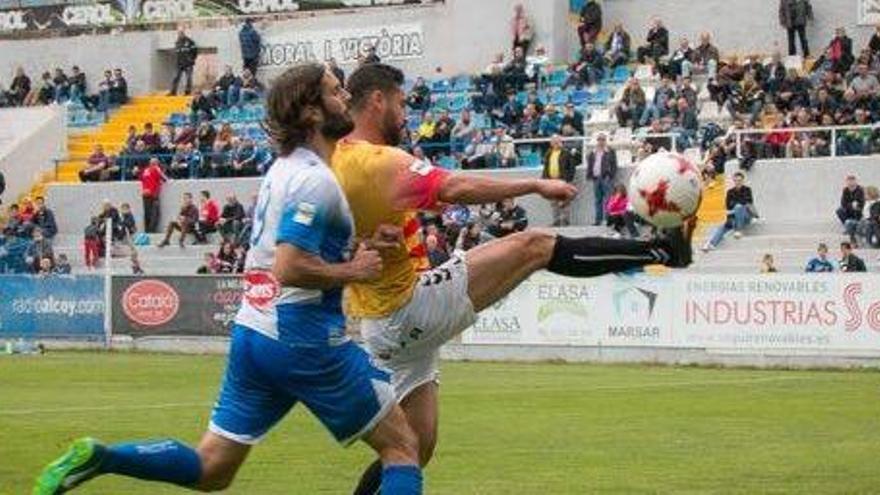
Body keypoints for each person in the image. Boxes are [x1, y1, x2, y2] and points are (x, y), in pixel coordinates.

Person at [33, 63, 423, 495]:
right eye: (334, 92)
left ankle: (102, 456)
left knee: (212, 468)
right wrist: (355, 270)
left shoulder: (284, 170)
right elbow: (290, 265)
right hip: (302, 336)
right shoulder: (315, 181)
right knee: (404, 448)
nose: (345, 98)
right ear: (312, 113)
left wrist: (360, 246)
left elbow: (290, 252)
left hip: (254, 332)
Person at [334, 63, 695, 495]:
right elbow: (455, 186)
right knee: (535, 246)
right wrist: (533, 186)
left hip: (387, 324)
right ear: (377, 100)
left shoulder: (336, 158)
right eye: (399, 103)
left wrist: (355, 246)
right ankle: (663, 250)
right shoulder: (374, 159)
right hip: (408, 304)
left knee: (410, 451)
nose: (405, 114)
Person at [704, 172, 756, 251]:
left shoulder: (747, 190)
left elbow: (749, 201)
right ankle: (712, 244)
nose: (738, 182)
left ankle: (739, 230)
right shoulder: (730, 192)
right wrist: (729, 219)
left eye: (740, 180)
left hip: (746, 216)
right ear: (734, 181)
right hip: (734, 217)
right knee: (722, 226)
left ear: (743, 181)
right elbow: (728, 206)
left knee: (738, 207)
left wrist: (736, 204)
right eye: (736, 180)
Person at [542, 135, 577, 226]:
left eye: (557, 142)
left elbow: (572, 168)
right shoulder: (548, 153)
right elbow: (545, 168)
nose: (556, 143)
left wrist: (568, 180)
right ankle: (556, 221)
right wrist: (544, 180)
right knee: (553, 202)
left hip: (563, 181)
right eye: (553, 142)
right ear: (551, 143)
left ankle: (565, 221)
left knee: (564, 201)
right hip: (551, 181)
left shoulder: (566, 153)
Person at [585, 133, 618, 226]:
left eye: (603, 139)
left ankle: (608, 220)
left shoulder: (610, 151)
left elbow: (614, 165)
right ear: (597, 141)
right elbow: (590, 165)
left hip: (606, 178)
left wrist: (611, 176)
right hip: (596, 178)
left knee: (608, 199)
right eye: (599, 139)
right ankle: (598, 220)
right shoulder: (593, 152)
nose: (601, 141)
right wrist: (589, 175)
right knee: (598, 200)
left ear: (605, 140)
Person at [140, 158, 168, 234]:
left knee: (147, 213)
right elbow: (165, 179)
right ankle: (151, 230)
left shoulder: (145, 170)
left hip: (145, 193)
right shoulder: (156, 169)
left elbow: (142, 180)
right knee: (155, 213)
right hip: (153, 194)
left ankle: (147, 230)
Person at [171, 29, 198, 96]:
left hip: (188, 64)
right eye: (179, 33)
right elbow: (176, 53)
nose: (180, 35)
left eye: (181, 33)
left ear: (183, 33)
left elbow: (195, 51)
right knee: (175, 77)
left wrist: (192, 59)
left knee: (188, 78)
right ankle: (173, 92)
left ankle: (187, 92)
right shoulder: (177, 42)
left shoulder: (189, 41)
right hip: (179, 64)